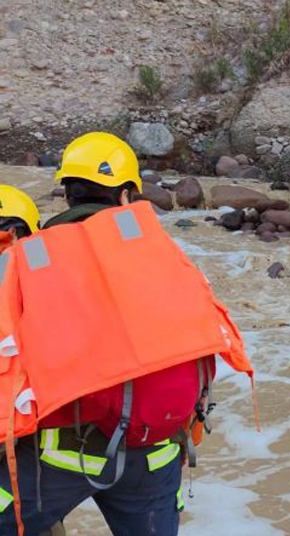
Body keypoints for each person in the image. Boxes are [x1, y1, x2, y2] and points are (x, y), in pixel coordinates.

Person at [0, 132, 189, 535]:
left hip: (61, 454)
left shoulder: (34, 257)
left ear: (68, 195)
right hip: (155, 449)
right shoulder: (167, 254)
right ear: (126, 197)